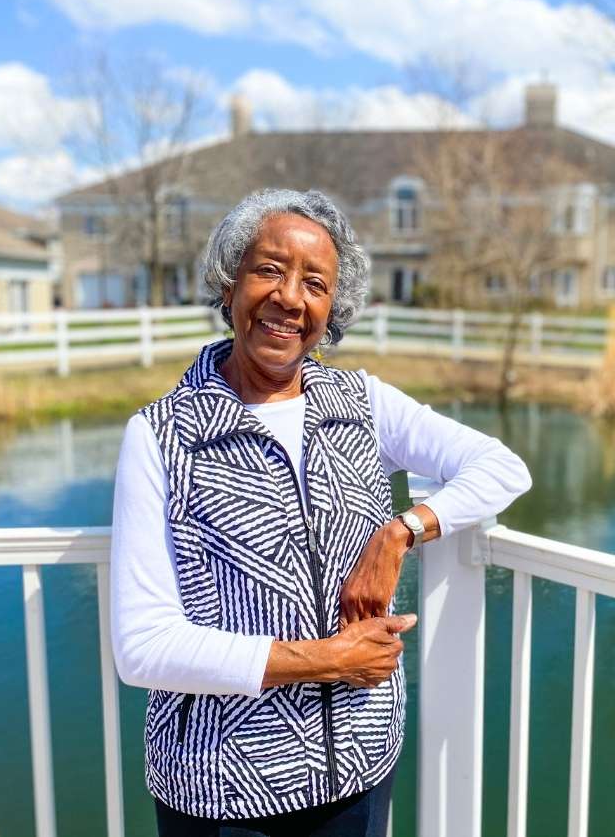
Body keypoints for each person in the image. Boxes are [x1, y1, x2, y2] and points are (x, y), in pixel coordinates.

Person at [110, 188, 532, 836]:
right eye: (269, 270)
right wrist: (329, 659)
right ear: (228, 285)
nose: (289, 297)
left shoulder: (364, 402)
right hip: (224, 788)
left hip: (362, 768)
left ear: (331, 310)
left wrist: (403, 529)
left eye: (315, 283)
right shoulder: (164, 434)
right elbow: (142, 648)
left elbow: (503, 468)